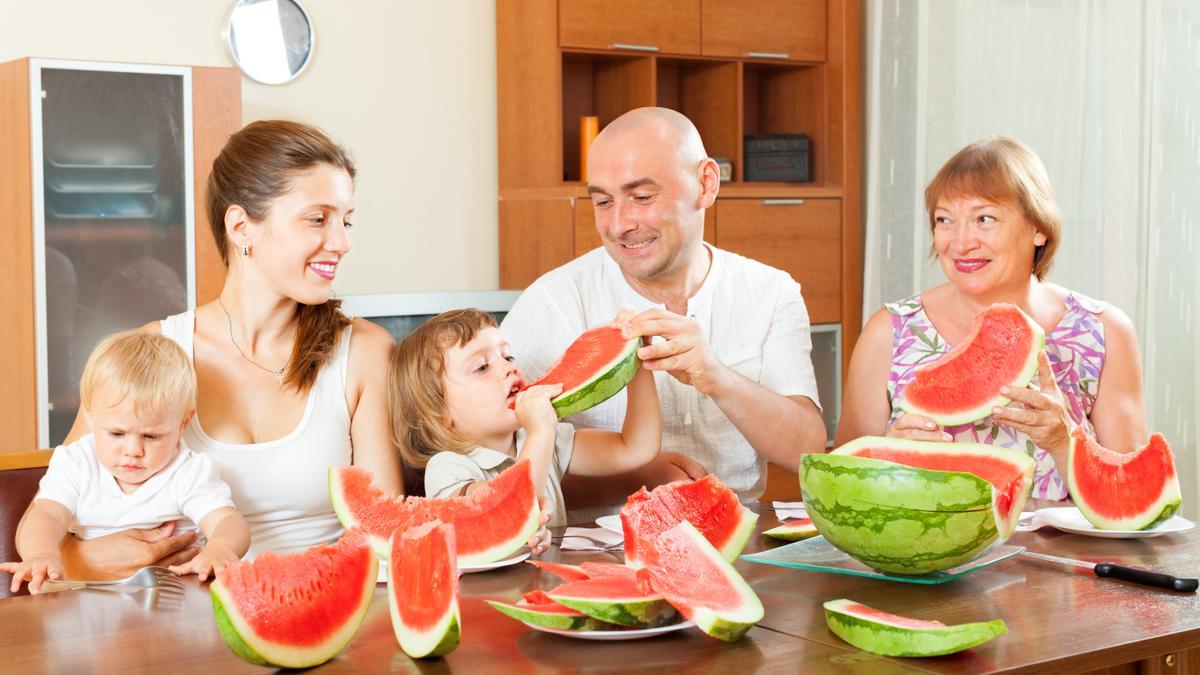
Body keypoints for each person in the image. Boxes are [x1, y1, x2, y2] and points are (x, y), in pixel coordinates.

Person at [49, 120, 400, 578]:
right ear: (240, 227)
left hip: (321, 610)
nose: (342, 242)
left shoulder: (365, 353)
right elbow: (54, 540)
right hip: (172, 627)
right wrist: (91, 558)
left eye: (346, 220)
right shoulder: (152, 350)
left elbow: (384, 537)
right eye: (318, 219)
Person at [501, 107, 827, 506]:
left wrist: (715, 376)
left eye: (641, 197)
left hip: (738, 539)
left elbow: (807, 450)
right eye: (603, 202)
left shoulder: (772, 292)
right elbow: (496, 462)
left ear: (706, 184)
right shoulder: (553, 301)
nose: (619, 224)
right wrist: (630, 480)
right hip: (595, 549)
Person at [837, 137, 1147, 499]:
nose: (960, 241)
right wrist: (887, 452)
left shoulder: (1103, 331)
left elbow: (1133, 497)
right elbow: (841, 484)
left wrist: (1065, 443)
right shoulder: (889, 331)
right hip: (933, 553)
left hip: (1063, 555)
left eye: (984, 218)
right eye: (944, 220)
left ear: (1038, 227)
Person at [2, 332, 249, 593]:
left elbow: (228, 521)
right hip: (83, 598)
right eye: (117, 434)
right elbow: (46, 515)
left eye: (151, 436)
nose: (133, 451)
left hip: (170, 601)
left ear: (183, 424)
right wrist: (42, 555)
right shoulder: (76, 462)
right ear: (90, 416)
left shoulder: (188, 471)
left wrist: (221, 547)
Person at [390, 308, 661, 545]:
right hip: (484, 597)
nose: (509, 368)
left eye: (507, 357)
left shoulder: (544, 440)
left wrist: (635, 360)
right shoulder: (448, 468)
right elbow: (509, 510)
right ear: (439, 414)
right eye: (482, 367)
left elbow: (635, 448)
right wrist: (541, 431)